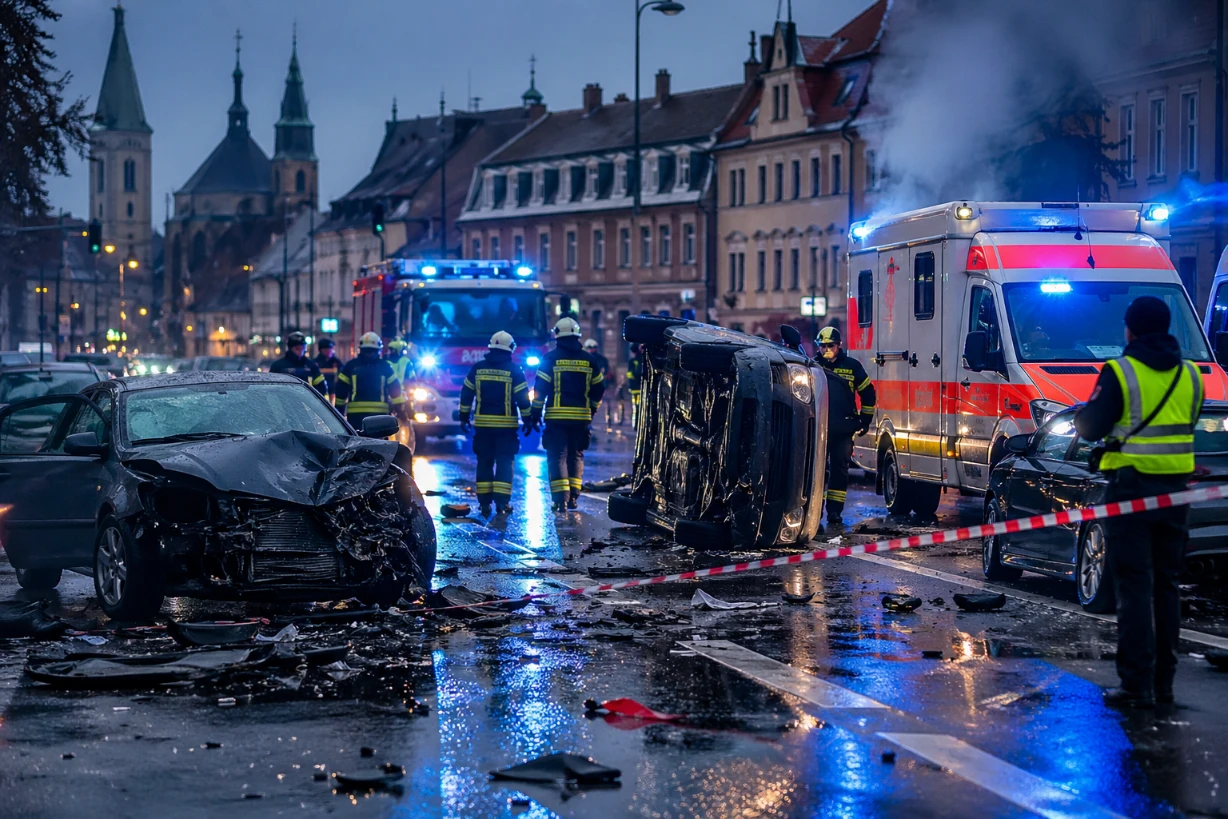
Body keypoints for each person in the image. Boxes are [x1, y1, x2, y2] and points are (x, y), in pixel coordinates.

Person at [1074, 295, 1203, 709]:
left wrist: (1089, 421)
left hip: (1131, 492)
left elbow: (1091, 427)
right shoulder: (1191, 375)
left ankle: (1135, 684)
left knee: (1134, 587)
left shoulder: (1121, 371)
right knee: (1166, 587)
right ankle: (1164, 684)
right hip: (1176, 494)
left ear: (1130, 329)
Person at [529, 317, 605, 512]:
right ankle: (573, 498)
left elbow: (540, 389)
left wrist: (535, 413)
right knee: (576, 456)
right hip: (581, 418)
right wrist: (592, 408)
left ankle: (560, 500)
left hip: (556, 418)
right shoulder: (589, 360)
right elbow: (599, 388)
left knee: (557, 457)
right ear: (577, 336)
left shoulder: (550, 359)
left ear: (557, 336)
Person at [460, 331, 532, 517]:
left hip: (482, 427)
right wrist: (528, 419)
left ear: (491, 348)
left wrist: (463, 416)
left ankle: (484, 504)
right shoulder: (515, 371)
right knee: (504, 462)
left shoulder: (478, 368)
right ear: (510, 349)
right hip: (506, 428)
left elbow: (466, 393)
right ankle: (502, 504)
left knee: (484, 462)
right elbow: (523, 399)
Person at [816, 326, 876, 526]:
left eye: (830, 346)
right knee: (816, 471)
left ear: (839, 345)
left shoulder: (852, 366)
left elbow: (868, 393)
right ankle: (815, 512)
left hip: (843, 429)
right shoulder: (813, 366)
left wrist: (865, 420)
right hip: (818, 429)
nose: (826, 350)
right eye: (822, 346)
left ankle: (834, 512)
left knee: (840, 470)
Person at [335, 332, 409, 432]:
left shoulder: (350, 366)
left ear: (360, 349)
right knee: (380, 445)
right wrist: (401, 412)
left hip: (356, 417)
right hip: (381, 417)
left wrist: (338, 413)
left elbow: (340, 392)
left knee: (357, 444)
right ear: (379, 350)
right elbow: (395, 392)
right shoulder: (385, 367)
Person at [583, 338, 610, 428]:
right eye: (589, 347)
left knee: (596, 405)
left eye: (593, 347)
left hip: (597, 384)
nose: (591, 349)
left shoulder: (601, 359)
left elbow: (606, 370)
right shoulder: (584, 358)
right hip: (586, 385)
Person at [626, 344, 644, 428]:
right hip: (639, 388)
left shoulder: (633, 361)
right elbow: (630, 374)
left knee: (636, 406)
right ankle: (637, 423)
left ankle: (636, 424)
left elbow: (630, 375)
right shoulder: (640, 360)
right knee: (638, 406)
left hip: (636, 388)